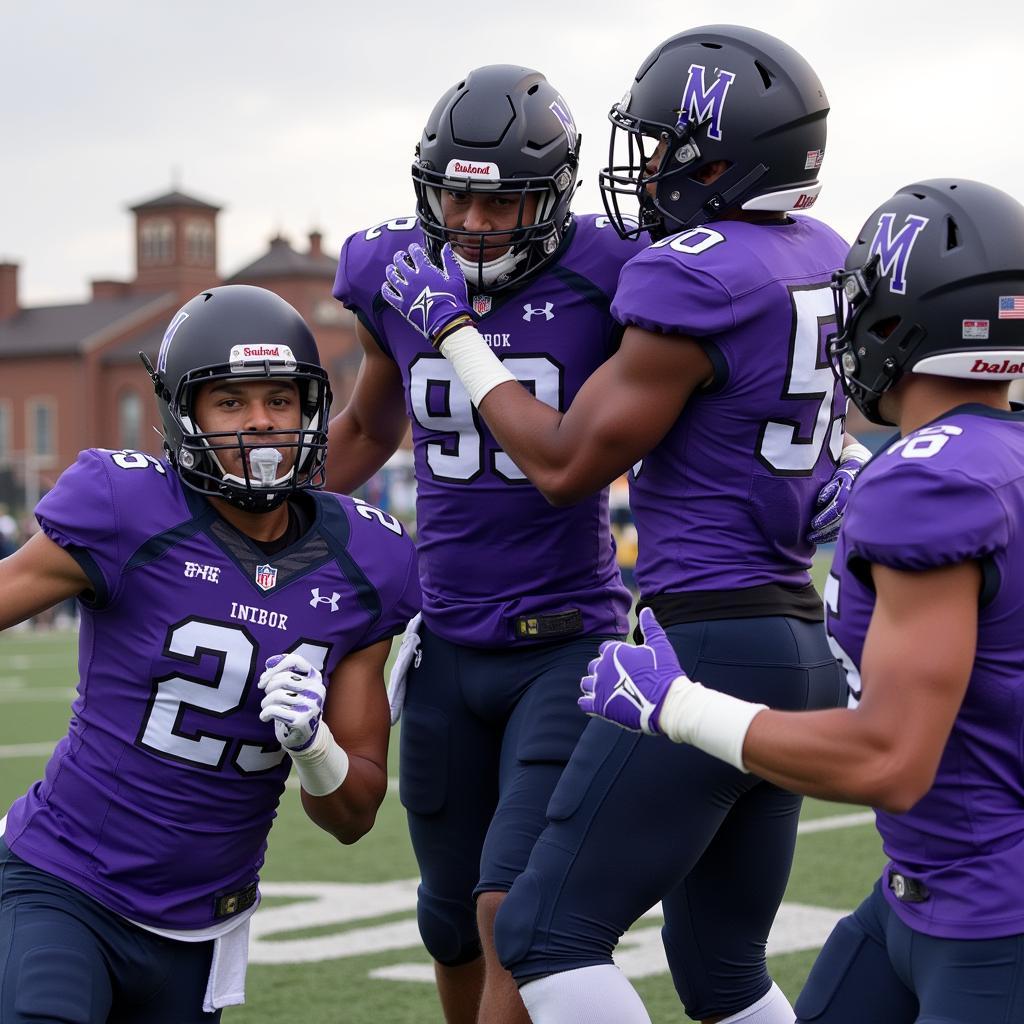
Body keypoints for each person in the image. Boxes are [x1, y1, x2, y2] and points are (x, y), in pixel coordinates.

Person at [382, 25, 864, 1024]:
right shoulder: (820, 252)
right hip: (796, 636)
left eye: (658, 146)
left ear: (720, 157)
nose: (642, 167)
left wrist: (458, 336)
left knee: (540, 934)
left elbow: (561, 464)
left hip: (707, 641)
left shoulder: (690, 271)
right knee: (721, 967)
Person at [582, 178, 1024, 1024]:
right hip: (914, 899)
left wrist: (679, 708)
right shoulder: (973, 464)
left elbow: (889, 762)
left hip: (986, 917)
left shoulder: (927, 486)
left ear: (895, 324)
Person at [0, 285, 419, 1023]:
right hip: (63, 881)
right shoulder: (123, 506)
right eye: (229, 401)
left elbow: (353, 815)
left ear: (311, 408)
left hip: (204, 920)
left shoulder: (369, 560)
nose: (260, 422)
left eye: (280, 400)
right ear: (183, 413)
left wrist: (312, 743)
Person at [326, 64, 645, 1024]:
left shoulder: (611, 268)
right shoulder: (390, 271)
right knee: (448, 920)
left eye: (499, 203)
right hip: (446, 640)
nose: (470, 221)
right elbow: (369, 430)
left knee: (513, 904)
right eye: (453, 194)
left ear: (553, 199)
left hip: (565, 639)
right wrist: (246, 524)